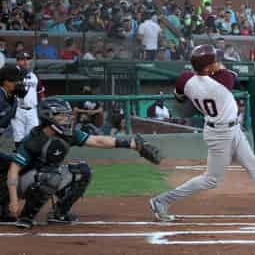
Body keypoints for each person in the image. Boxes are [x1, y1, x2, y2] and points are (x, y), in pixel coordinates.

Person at [149, 44, 255, 222]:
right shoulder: (224, 79)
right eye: (215, 61)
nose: (219, 62)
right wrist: (213, 70)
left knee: (254, 165)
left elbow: (180, 97)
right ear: (207, 67)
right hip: (220, 134)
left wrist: (202, 74)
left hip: (230, 128)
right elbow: (231, 78)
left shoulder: (184, 79)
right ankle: (161, 201)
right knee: (211, 179)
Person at [3, 98, 161, 228]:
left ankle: (60, 213)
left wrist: (131, 144)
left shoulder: (68, 134)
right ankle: (25, 217)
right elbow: (13, 169)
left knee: (83, 171)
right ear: (48, 116)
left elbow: (98, 140)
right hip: (20, 184)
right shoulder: (34, 139)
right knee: (52, 177)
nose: (67, 118)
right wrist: (14, 201)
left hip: (46, 177)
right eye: (61, 116)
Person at [0, 65, 28, 222]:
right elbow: (3, 119)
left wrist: (14, 99)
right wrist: (15, 103)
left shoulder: (6, 96)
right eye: (15, 81)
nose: (18, 84)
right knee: (13, 163)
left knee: (10, 164)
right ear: (5, 82)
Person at [11, 52, 45, 150]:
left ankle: (30, 159)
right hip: (18, 109)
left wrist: (42, 104)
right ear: (17, 61)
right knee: (18, 135)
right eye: (22, 59)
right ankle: (19, 157)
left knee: (33, 135)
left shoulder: (34, 76)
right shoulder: (12, 75)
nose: (26, 61)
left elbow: (40, 91)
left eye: (27, 59)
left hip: (32, 110)